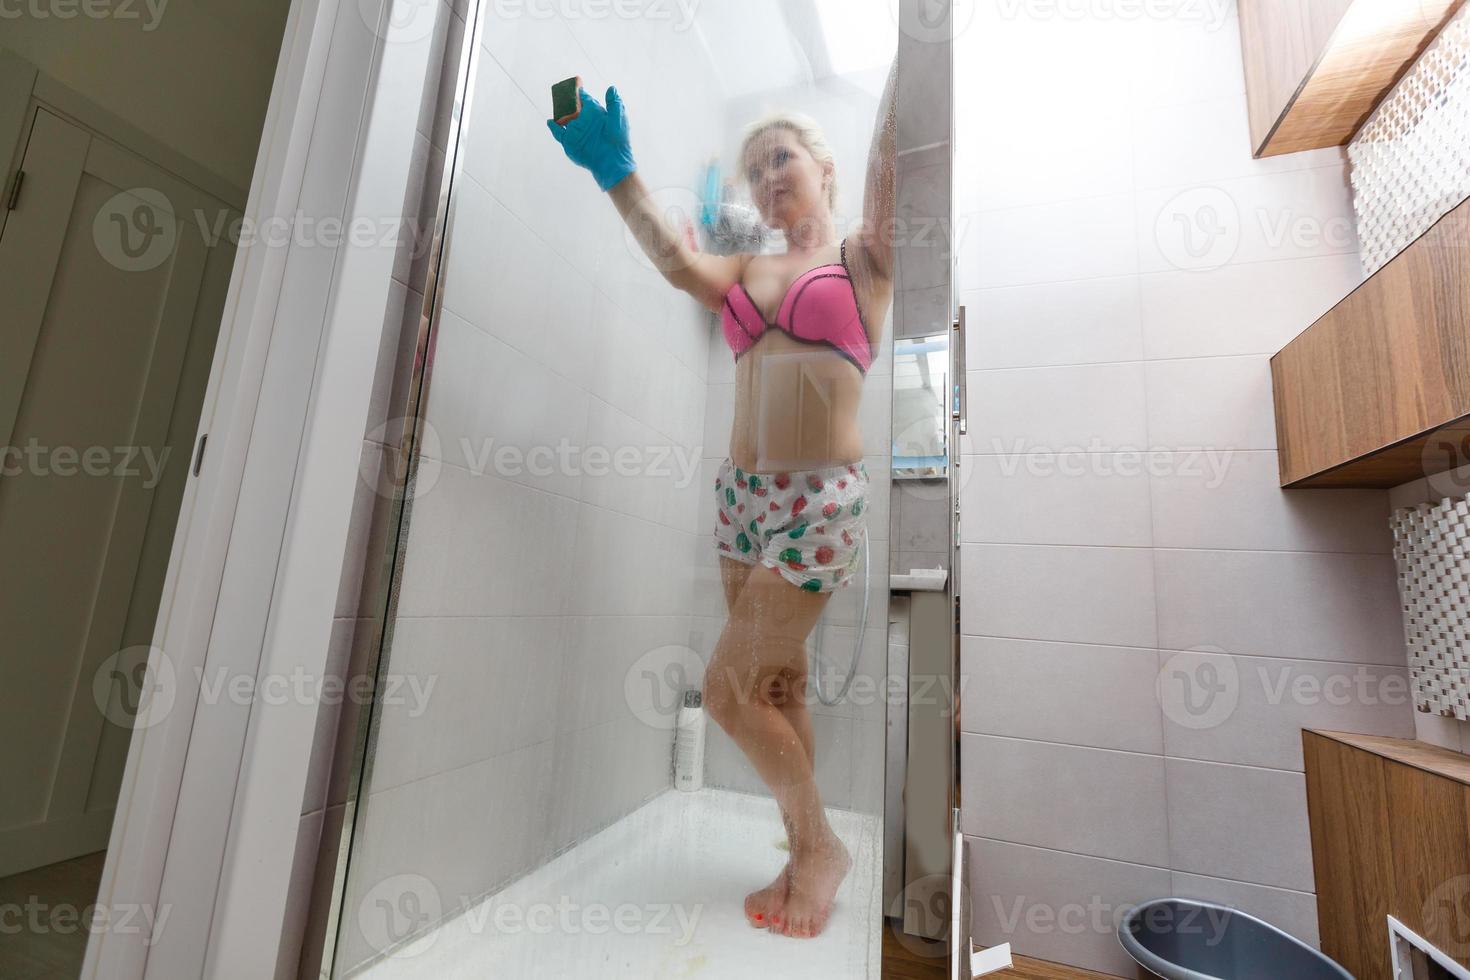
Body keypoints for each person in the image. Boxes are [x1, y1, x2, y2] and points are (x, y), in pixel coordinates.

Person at [547, 63, 896, 940]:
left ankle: (819, 847)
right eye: (754, 170)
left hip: (818, 503)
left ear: (823, 166)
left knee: (728, 689)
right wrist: (616, 175)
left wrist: (906, 67)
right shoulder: (745, 265)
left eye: (781, 156)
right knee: (777, 684)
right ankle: (799, 849)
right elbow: (676, 264)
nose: (767, 176)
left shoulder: (864, 258)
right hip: (742, 501)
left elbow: (899, 161)